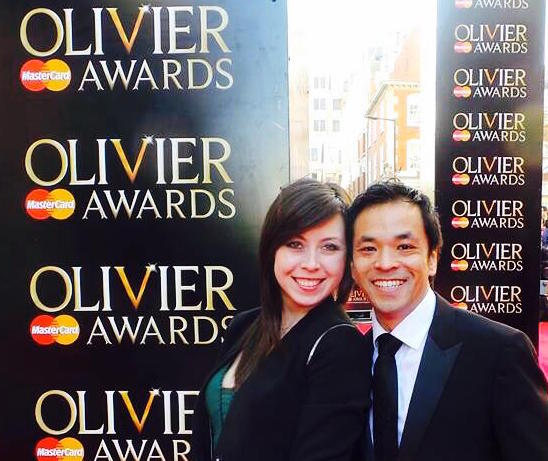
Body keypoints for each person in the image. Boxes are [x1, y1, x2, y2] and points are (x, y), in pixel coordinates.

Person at [347, 179, 548, 461]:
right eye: (368, 249)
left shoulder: (498, 352)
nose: (385, 263)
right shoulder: (348, 358)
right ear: (353, 267)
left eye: (404, 247)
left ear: (432, 258)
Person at [192, 178, 369, 461]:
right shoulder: (245, 326)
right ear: (272, 248)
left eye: (329, 247)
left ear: (346, 259)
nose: (311, 264)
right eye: (295, 244)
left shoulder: (339, 344)